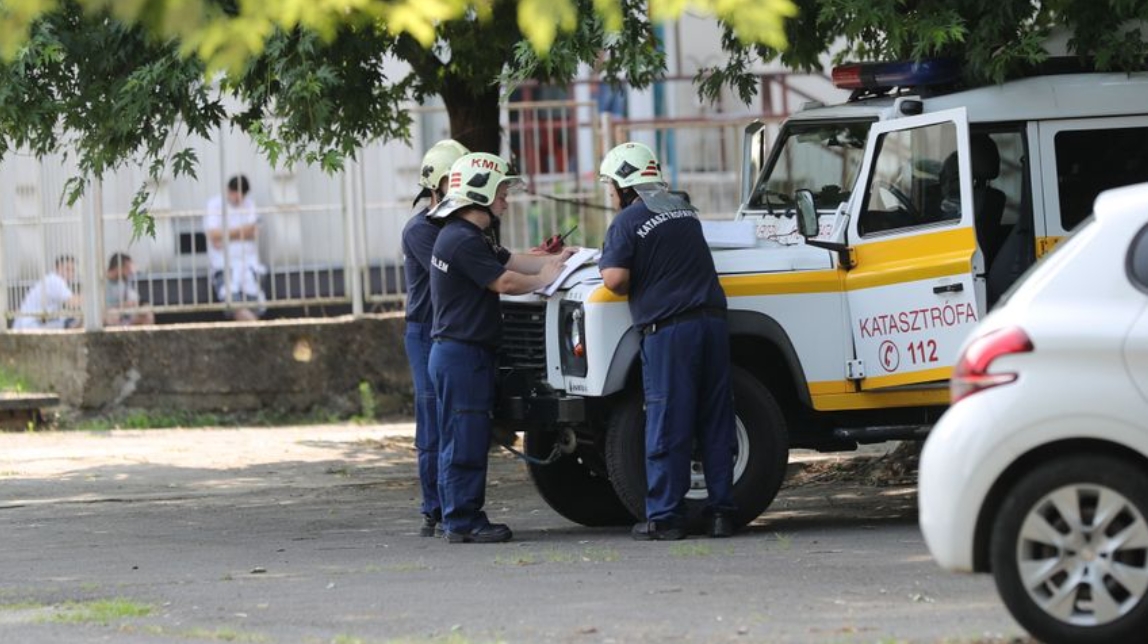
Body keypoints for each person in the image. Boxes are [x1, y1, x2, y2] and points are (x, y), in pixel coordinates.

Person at [426, 152, 570, 544]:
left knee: (458, 436)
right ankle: (464, 519)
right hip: (463, 354)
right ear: (481, 193)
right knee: (466, 439)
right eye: (502, 192)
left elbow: (511, 261)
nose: (506, 200)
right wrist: (544, 277)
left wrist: (556, 260)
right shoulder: (462, 240)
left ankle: (456, 515)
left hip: (457, 353)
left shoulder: (464, 235)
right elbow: (504, 282)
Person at [597, 141, 737, 541]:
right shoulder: (682, 210)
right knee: (715, 419)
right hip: (711, 322)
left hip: (671, 332)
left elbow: (615, 279)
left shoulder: (628, 220)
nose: (610, 194)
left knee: (668, 420)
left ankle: (665, 517)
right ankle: (722, 513)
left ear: (624, 185)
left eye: (611, 185)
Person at [401, 138, 470, 537]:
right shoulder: (421, 231)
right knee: (433, 421)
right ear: (435, 186)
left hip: (450, 330)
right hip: (427, 330)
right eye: (454, 180)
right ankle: (435, 507)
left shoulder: (461, 226)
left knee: (453, 419)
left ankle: (452, 502)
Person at [204, 174, 265, 321]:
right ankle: (257, 329)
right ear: (228, 191)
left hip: (249, 265)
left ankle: (253, 329)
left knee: (255, 304)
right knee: (233, 304)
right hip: (224, 265)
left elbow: (255, 231)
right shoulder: (215, 205)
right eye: (235, 194)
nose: (238, 199)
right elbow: (213, 235)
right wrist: (243, 231)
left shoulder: (249, 204)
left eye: (241, 195)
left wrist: (226, 235)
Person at [13, 255, 82, 330]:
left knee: (70, 319)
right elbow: (73, 302)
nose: (70, 273)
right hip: (30, 324)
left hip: (30, 322)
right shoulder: (55, 280)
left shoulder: (51, 279)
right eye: (67, 269)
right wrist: (91, 297)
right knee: (72, 322)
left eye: (73, 270)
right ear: (57, 268)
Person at [105, 252, 154, 327]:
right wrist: (122, 306)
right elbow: (102, 307)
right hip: (110, 315)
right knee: (113, 315)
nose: (130, 271)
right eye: (127, 268)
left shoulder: (125, 280)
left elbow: (133, 298)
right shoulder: (102, 283)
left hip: (126, 314)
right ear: (119, 267)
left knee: (147, 312)